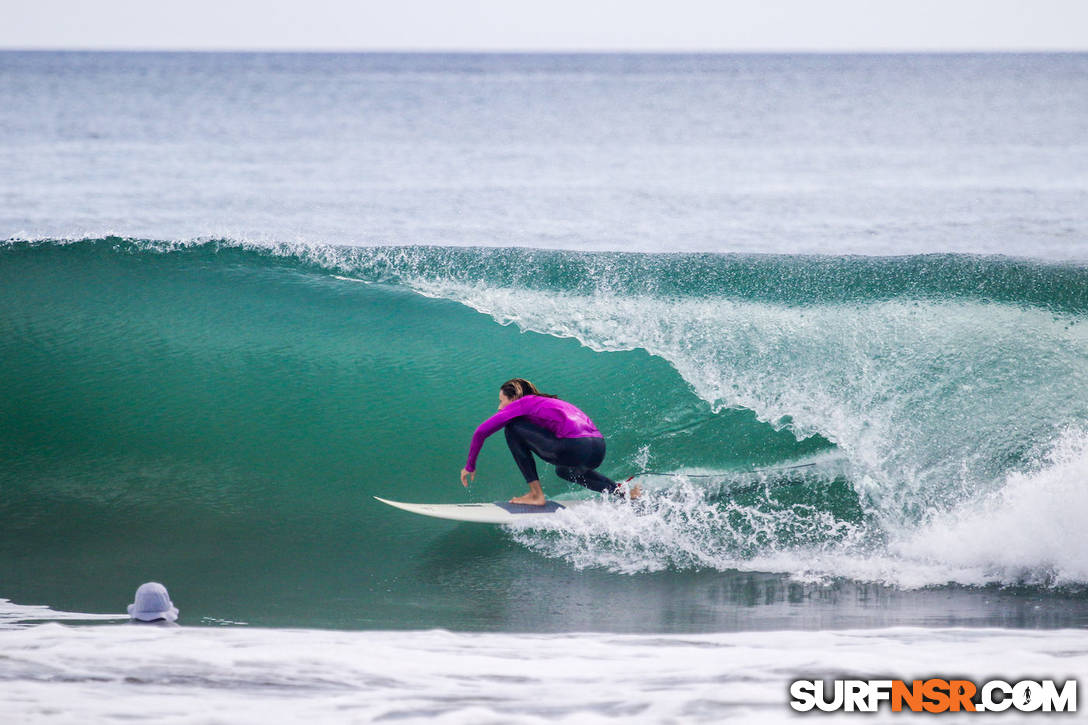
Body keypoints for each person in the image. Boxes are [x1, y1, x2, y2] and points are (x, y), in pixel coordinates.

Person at [460, 378, 640, 505]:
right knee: (564, 471)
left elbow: (481, 431)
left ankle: (536, 494)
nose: (499, 407)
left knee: (512, 428)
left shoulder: (521, 403)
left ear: (513, 398)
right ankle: (622, 493)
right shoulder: (548, 403)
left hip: (574, 446)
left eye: (501, 401)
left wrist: (469, 466)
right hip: (598, 448)